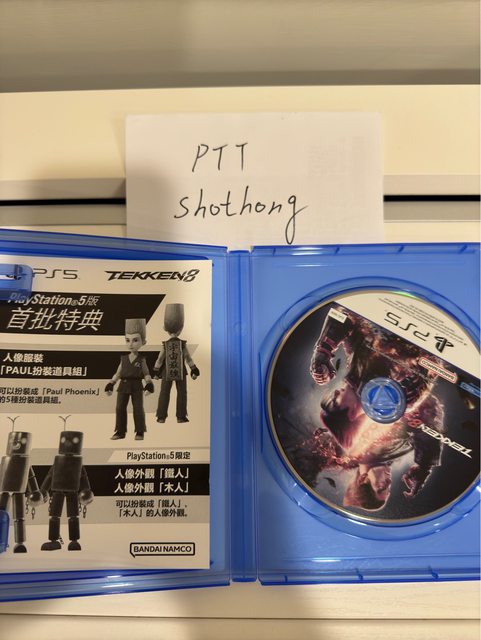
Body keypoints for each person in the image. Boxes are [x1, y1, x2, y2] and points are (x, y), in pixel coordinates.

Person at [310, 303, 444, 511]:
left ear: (363, 479)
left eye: (382, 486)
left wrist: (323, 350)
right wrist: (424, 465)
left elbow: (346, 309)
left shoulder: (356, 363)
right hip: (433, 325)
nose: (389, 481)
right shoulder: (400, 412)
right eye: (387, 487)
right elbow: (429, 411)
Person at [105, 318, 154, 441]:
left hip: (137, 385)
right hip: (123, 384)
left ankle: (140, 431)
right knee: (119, 408)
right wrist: (111, 383)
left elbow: (146, 373)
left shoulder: (141, 359)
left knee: (138, 408)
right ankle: (120, 431)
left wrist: (149, 384)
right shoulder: (123, 359)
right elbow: (118, 373)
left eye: (135, 340)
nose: (131, 344)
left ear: (143, 342)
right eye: (128, 340)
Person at [153, 304, 199, 423]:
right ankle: (181, 416)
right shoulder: (182, 344)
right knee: (182, 393)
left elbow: (160, 359)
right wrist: (193, 368)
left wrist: (156, 371)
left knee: (164, 393)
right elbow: (188, 358)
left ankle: (161, 417)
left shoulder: (165, 345)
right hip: (181, 371)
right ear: (181, 328)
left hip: (166, 371)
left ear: (165, 328)